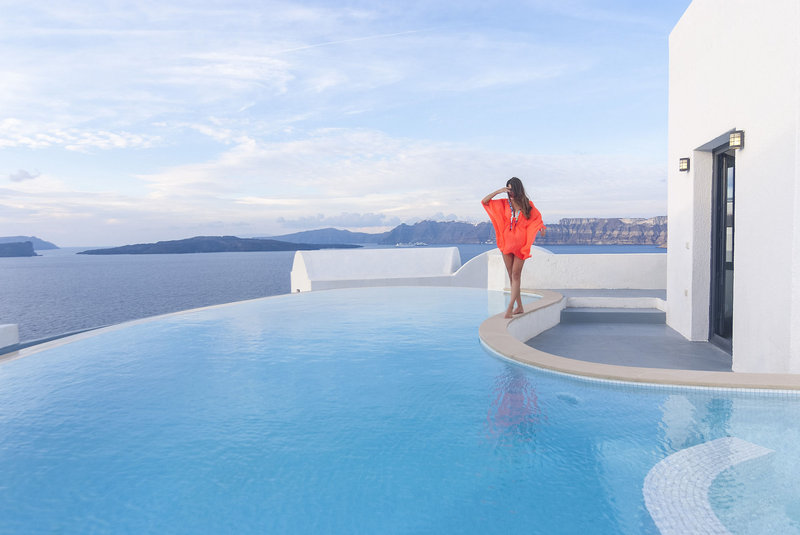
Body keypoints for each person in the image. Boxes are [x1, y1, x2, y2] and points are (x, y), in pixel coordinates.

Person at [482, 177, 546, 318]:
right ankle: (520, 306)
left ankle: (510, 307)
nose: (510, 192)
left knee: (516, 275)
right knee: (511, 276)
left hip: (521, 246)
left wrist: (541, 226)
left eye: (511, 189)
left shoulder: (527, 204)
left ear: (517, 188)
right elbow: (484, 201)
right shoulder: (504, 203)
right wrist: (499, 191)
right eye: (508, 189)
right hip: (506, 244)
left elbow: (537, 219)